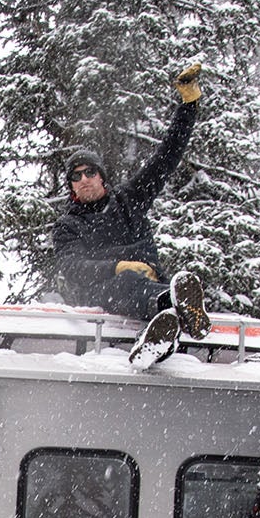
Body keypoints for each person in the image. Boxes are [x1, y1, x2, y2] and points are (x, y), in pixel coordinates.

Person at [51, 64, 213, 366]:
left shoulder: (129, 200)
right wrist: (118, 265)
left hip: (152, 282)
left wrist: (188, 105)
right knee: (127, 283)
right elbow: (72, 267)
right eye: (76, 176)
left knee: (156, 287)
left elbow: (166, 157)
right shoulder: (68, 225)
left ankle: (167, 324)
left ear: (102, 177)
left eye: (90, 172)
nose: (84, 179)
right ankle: (174, 308)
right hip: (103, 294)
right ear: (71, 186)